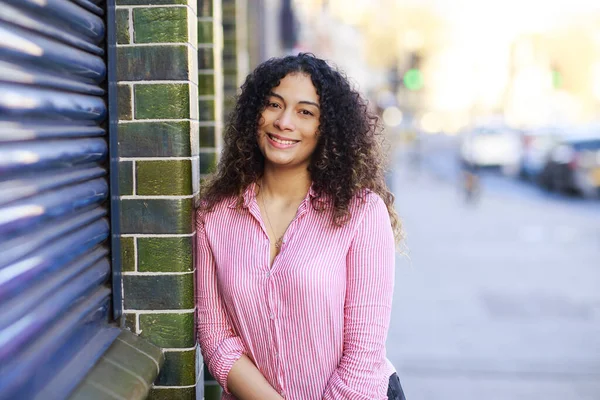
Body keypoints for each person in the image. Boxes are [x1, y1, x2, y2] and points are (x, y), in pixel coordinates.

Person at [195, 53, 406, 400]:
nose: (284, 122)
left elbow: (362, 358)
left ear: (327, 129)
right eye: (274, 105)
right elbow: (217, 339)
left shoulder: (361, 213)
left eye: (305, 112)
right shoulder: (213, 216)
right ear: (254, 114)